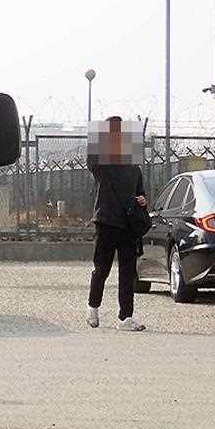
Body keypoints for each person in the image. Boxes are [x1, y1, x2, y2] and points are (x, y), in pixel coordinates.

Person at [86, 116, 148, 331]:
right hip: (106, 222)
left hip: (129, 225)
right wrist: (105, 129)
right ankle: (93, 308)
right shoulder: (102, 165)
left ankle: (125, 317)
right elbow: (91, 158)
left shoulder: (134, 169)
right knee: (101, 268)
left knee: (127, 273)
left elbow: (140, 193)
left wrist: (143, 200)